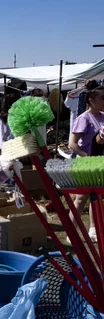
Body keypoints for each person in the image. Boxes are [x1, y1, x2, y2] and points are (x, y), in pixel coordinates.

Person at [69, 86, 104, 242]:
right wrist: (86, 157)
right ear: (91, 100)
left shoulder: (103, 116)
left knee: (97, 196)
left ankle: (93, 229)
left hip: (99, 163)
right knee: (81, 198)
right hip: (85, 163)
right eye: (102, 98)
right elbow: (72, 144)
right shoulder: (83, 118)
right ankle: (72, 231)